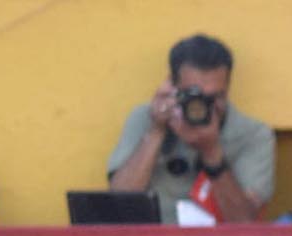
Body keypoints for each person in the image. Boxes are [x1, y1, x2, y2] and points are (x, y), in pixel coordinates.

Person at [107, 33, 275, 224]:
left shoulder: (253, 134)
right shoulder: (146, 118)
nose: (205, 106)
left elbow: (245, 223)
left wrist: (212, 154)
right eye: (194, 95)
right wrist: (156, 131)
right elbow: (119, 203)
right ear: (172, 85)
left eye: (215, 97)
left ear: (227, 89)